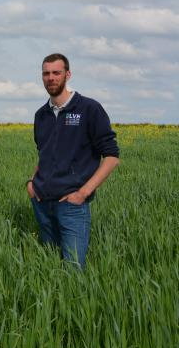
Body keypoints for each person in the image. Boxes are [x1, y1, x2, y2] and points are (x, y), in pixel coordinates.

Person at [27, 53, 120, 269]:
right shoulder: (41, 114)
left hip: (72, 206)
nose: (51, 78)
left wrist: (83, 193)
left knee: (73, 270)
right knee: (48, 265)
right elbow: (44, 154)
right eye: (46, 73)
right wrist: (32, 183)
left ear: (67, 74)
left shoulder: (88, 109)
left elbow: (112, 157)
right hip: (42, 202)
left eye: (56, 73)